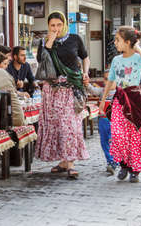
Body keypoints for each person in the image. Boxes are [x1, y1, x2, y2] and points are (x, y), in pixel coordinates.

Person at [35, 11, 90, 180]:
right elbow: (41, 60)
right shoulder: (44, 42)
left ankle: (71, 163)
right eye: (52, 25)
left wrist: (85, 73)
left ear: (64, 24)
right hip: (52, 90)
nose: (56, 28)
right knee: (55, 125)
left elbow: (85, 57)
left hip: (70, 89)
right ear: (48, 26)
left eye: (59, 25)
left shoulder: (75, 39)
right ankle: (63, 162)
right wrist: (50, 42)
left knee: (70, 125)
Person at [99, 26, 141, 183]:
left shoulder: (138, 59)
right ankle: (124, 164)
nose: (115, 43)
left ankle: (135, 170)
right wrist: (103, 100)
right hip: (119, 99)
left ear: (127, 42)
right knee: (118, 134)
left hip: (135, 100)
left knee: (135, 135)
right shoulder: (116, 60)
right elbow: (111, 80)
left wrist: (136, 46)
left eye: (118, 40)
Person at [86, 71, 117, 175]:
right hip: (103, 121)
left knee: (113, 141)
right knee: (104, 142)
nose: (107, 81)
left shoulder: (119, 93)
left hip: (114, 122)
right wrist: (86, 83)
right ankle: (110, 160)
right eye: (105, 79)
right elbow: (92, 90)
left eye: (110, 79)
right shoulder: (102, 91)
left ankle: (114, 161)